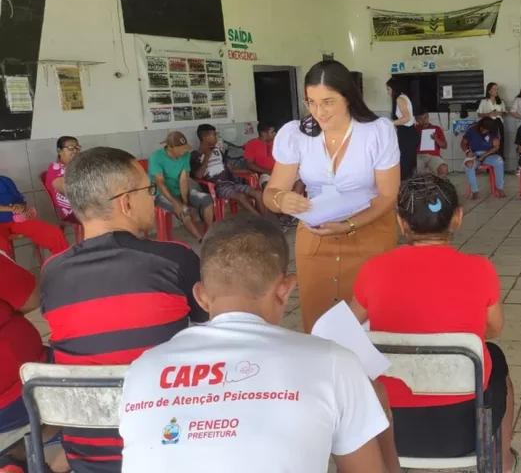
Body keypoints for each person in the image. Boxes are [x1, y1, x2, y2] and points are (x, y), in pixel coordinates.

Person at [119, 215, 400, 473]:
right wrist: (380, 412)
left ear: (201, 297)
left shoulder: (143, 369)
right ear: (285, 289)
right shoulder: (333, 362)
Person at [40, 147, 208, 473]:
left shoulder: (51, 272)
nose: (153, 198)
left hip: (87, 455)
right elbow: (211, 332)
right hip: (170, 449)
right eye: (148, 190)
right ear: (126, 202)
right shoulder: (176, 258)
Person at [349, 174, 517, 473]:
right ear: (458, 218)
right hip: (465, 429)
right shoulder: (481, 269)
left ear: (401, 222)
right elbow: (493, 329)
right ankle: (502, 461)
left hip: (389, 427)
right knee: (497, 361)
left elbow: (347, 328)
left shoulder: (373, 269)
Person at [263, 60, 399, 333]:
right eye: (311, 102)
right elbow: (271, 192)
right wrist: (281, 200)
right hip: (316, 239)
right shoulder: (296, 134)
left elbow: (388, 195)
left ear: (347, 97)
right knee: (320, 324)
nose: (318, 112)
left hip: (369, 234)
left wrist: (349, 225)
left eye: (328, 102)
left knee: (369, 326)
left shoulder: (377, 132)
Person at [0, 252, 69, 473]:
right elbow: (31, 298)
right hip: (16, 397)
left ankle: (15, 458)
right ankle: (59, 463)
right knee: (92, 371)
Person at [148, 131, 215, 242]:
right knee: (184, 211)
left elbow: (183, 180)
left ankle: (210, 235)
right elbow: (160, 184)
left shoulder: (185, 155)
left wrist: (185, 201)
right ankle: (201, 240)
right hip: (161, 194)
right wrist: (177, 204)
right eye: (181, 149)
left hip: (179, 190)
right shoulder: (156, 157)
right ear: (170, 148)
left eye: (185, 148)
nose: (184, 151)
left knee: (207, 199)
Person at [190, 124, 265, 216]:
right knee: (240, 196)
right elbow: (198, 176)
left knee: (258, 193)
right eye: (214, 135)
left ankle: (262, 221)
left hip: (232, 184)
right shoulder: (195, 155)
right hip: (217, 188)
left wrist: (248, 171)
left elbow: (231, 169)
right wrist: (206, 157)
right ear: (205, 137)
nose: (216, 137)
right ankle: (262, 221)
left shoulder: (217, 151)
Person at [0, 176, 69, 257]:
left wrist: (21, 207)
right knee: (2, 246)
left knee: (54, 234)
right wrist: (11, 208)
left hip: (16, 220)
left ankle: (66, 266)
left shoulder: (5, 181)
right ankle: (10, 269)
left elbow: (21, 201)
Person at [462, 117, 506, 200]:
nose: (484, 131)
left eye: (486, 130)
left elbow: (496, 147)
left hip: (489, 155)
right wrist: (467, 152)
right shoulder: (472, 129)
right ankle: (475, 191)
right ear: (480, 126)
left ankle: (500, 188)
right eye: (483, 129)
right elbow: (463, 143)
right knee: (469, 165)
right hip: (474, 155)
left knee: (499, 161)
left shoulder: (494, 130)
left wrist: (484, 156)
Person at [386, 78, 419, 181]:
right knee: (409, 164)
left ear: (394, 88)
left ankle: (406, 189)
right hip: (409, 133)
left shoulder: (400, 99)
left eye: (388, 89)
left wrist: (391, 124)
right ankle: (410, 189)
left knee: (405, 164)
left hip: (407, 135)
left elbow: (406, 117)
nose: (388, 92)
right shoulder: (404, 97)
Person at [44, 136, 81, 223]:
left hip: (84, 205)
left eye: (77, 148)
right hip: (71, 210)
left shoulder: (74, 166)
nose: (75, 151)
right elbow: (68, 191)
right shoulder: (56, 167)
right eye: (70, 148)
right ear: (59, 151)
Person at [243, 122, 278, 188]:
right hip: (264, 174)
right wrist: (267, 171)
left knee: (299, 181)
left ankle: (295, 198)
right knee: (267, 186)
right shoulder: (252, 144)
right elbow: (249, 164)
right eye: (272, 132)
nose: (275, 134)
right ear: (263, 134)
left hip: (279, 171)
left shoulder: (276, 142)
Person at [414, 108, 448, 176]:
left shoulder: (436, 128)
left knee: (444, 169)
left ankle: (442, 186)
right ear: (416, 120)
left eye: (426, 117)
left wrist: (436, 139)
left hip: (433, 156)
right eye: (420, 118)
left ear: (428, 116)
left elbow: (445, 146)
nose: (424, 120)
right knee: (413, 171)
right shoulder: (414, 129)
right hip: (419, 156)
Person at [477, 82, 507, 156]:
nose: (496, 91)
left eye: (497, 89)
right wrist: (488, 114)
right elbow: (478, 114)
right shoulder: (484, 101)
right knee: (489, 141)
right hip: (488, 123)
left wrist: (500, 113)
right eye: (494, 89)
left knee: (500, 141)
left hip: (498, 122)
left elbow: (505, 112)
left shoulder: (500, 101)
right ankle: (488, 157)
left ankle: (500, 157)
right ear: (489, 91)